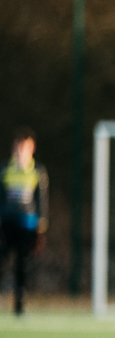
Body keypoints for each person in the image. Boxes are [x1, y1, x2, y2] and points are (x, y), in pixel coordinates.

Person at [1, 127, 48, 316]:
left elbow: (41, 201)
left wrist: (41, 228)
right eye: (18, 146)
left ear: (32, 148)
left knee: (22, 265)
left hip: (27, 225)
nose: (21, 150)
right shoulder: (5, 169)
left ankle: (19, 305)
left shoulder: (37, 171)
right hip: (6, 224)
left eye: (25, 146)